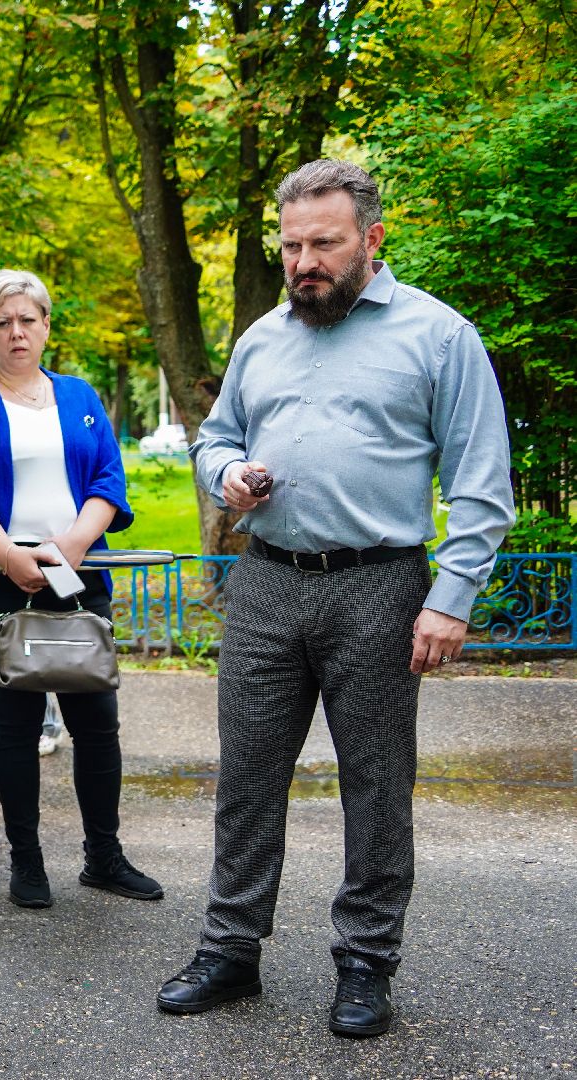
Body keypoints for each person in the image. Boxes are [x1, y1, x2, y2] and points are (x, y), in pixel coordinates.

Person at [161, 159, 515, 1037]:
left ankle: (365, 962)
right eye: (291, 246)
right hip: (268, 584)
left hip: (382, 587)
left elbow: (483, 485)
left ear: (371, 240)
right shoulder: (262, 338)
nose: (304, 261)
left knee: (376, 785)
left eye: (324, 243)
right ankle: (230, 949)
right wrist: (226, 475)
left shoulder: (438, 336)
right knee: (245, 778)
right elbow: (216, 438)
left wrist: (453, 598)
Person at [0, 269, 163, 910]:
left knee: (96, 722)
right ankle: (26, 863)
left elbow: (109, 482)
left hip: (76, 573)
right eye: (2, 323)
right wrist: (8, 555)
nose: (15, 333)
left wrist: (72, 548)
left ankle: (104, 857)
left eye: (26, 320)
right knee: (17, 723)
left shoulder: (80, 394)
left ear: (45, 326)